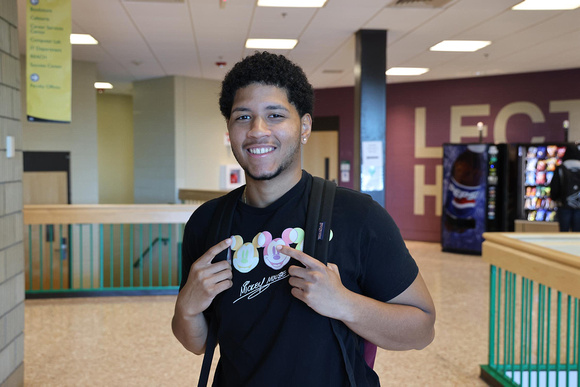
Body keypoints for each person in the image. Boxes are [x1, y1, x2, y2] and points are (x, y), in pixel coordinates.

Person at [172, 51, 436, 386]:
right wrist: (188, 308)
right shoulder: (207, 222)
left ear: (304, 127)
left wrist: (344, 304)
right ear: (230, 128)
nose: (257, 130)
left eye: (275, 115)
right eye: (243, 117)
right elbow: (195, 343)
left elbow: (422, 329)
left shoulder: (358, 216)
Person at [550, 143, 580, 231]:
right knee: (577, 234)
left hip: (564, 205)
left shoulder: (561, 168)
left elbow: (555, 186)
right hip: (579, 205)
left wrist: (554, 198)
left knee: (564, 232)